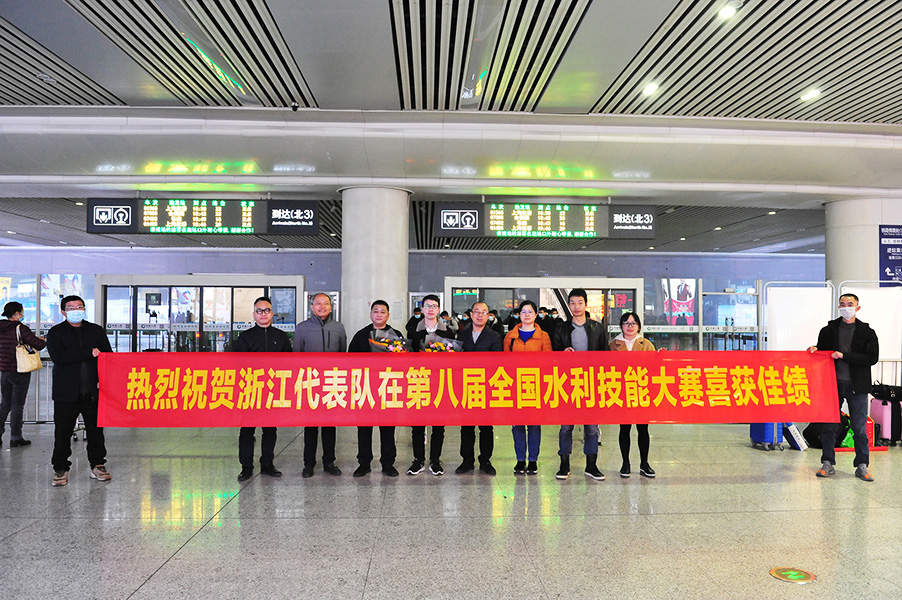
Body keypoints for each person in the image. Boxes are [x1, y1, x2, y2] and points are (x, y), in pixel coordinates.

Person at [808, 293, 879, 482]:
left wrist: (844, 356)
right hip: (832, 384)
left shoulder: (867, 332)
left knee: (859, 427)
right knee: (829, 426)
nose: (846, 307)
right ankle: (827, 463)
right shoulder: (828, 330)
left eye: (850, 304)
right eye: (842, 304)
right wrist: (815, 349)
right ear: (838, 307)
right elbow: (823, 351)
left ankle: (862, 465)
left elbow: (872, 358)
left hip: (858, 385)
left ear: (857, 307)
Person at [46, 295, 113, 487]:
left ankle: (98, 464)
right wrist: (88, 352)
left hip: (92, 392)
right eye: (71, 308)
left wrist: (107, 379)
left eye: (80, 307)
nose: (76, 310)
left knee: (96, 431)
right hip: (66, 393)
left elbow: (107, 356)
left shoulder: (95, 331)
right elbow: (59, 357)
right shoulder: (56, 333)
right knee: (63, 432)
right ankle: (61, 468)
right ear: (63, 312)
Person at [551, 289, 606, 481]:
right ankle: (564, 464)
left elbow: (606, 357)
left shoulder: (597, 328)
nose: (576, 307)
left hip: (591, 384)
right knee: (566, 427)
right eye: (572, 303)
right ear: (569, 305)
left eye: (580, 303)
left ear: (586, 304)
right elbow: (552, 357)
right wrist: (562, 355)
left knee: (591, 428)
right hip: (568, 384)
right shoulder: (561, 329)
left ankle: (591, 465)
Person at [235, 297, 292, 482]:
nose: (263, 314)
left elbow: (289, 363)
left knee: (270, 430)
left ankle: (267, 464)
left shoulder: (281, 337)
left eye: (266, 310)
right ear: (254, 314)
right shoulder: (245, 337)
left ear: (272, 313)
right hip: (250, 390)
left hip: (273, 391)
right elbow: (239, 365)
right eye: (259, 311)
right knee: (247, 431)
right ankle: (246, 467)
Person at [294, 293, 347, 478]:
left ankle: (329, 461)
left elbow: (343, 354)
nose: (322, 306)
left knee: (329, 425)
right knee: (310, 426)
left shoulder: (339, 328)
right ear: (312, 307)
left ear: (331, 307)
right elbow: (297, 356)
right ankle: (309, 463)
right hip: (311, 383)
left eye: (326, 303)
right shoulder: (302, 328)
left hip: (332, 383)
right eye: (318, 303)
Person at [348, 300, 401, 477]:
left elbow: (404, 361)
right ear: (371, 314)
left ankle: (388, 463)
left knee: (388, 427)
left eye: (382, 311)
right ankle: (364, 463)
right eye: (376, 311)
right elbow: (350, 361)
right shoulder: (361, 335)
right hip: (366, 388)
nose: (379, 314)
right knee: (364, 427)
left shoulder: (396, 335)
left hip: (388, 388)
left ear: (388, 315)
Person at [409, 294, 455, 476]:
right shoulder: (413, 331)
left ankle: (435, 460)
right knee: (417, 425)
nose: (430, 309)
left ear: (438, 309)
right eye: (427, 306)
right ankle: (418, 459)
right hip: (418, 380)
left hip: (439, 381)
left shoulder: (448, 332)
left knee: (438, 425)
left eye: (434, 306)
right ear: (422, 308)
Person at [504, 300, 552, 475]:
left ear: (536, 314)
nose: (526, 315)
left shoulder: (543, 336)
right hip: (515, 386)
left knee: (534, 425)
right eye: (523, 312)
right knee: (517, 425)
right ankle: (519, 460)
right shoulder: (510, 336)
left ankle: (533, 460)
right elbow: (505, 362)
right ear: (519, 315)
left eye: (530, 311)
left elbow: (548, 361)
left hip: (535, 386)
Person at [456, 302, 502, 476]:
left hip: (486, 387)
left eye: (484, 312)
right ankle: (467, 460)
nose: (480, 315)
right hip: (466, 386)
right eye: (477, 312)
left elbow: (497, 362)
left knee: (486, 427)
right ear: (471, 314)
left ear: (488, 315)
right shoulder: (462, 335)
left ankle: (485, 460)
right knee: (466, 426)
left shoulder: (494, 336)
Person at [610, 312, 657, 478]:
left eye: (633, 323)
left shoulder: (646, 344)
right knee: (624, 428)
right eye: (626, 323)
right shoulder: (613, 345)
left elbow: (654, 367)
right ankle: (625, 463)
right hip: (622, 392)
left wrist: (661, 356)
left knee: (643, 428)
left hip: (641, 391)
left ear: (638, 326)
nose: (629, 327)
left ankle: (644, 463)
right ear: (621, 326)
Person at [0, 301, 46, 448]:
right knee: (17, 404)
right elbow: (39, 345)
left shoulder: (1, 327)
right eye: (21, 311)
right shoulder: (20, 328)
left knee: (5, 403)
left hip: (4, 371)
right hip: (20, 371)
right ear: (17, 313)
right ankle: (16, 437)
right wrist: (42, 340)